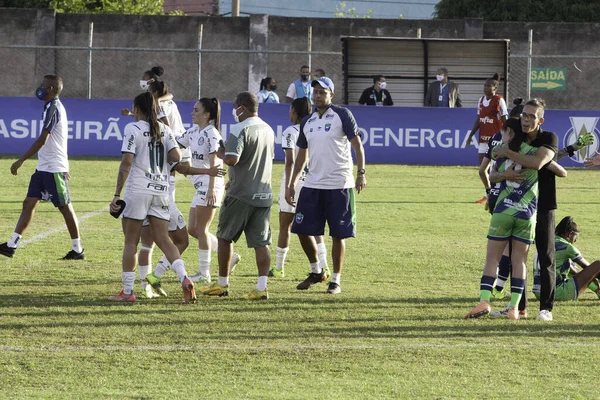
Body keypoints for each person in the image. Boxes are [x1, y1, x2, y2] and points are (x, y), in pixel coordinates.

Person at [465, 118, 566, 320]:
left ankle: (484, 301)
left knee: (493, 258)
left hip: (504, 211)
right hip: (527, 214)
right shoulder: (533, 154)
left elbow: (490, 173)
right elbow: (560, 171)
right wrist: (549, 163)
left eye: (503, 133)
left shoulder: (501, 150)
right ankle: (514, 308)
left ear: (509, 133)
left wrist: (504, 174)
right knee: (519, 260)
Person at [108, 92, 195, 303]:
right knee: (164, 240)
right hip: (161, 190)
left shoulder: (133, 128)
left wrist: (117, 194)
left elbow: (126, 163)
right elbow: (176, 156)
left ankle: (128, 292)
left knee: (131, 242)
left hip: (138, 189)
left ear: (137, 110)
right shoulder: (164, 129)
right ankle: (184, 278)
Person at [286, 77, 367, 295]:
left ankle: (336, 280)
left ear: (331, 94)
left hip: (339, 184)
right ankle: (317, 271)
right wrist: (291, 183)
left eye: (322, 92)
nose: (318, 95)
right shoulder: (307, 121)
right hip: (312, 184)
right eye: (315, 92)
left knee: (338, 234)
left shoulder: (342, 115)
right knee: (301, 228)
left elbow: (357, 145)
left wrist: (361, 173)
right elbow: (302, 154)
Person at [199, 92, 275, 300]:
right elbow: (261, 160)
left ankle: (222, 284)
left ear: (243, 107)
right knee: (262, 243)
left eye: (235, 107)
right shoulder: (268, 129)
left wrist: (221, 152)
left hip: (241, 195)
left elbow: (233, 159)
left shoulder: (240, 128)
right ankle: (261, 287)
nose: (234, 111)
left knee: (224, 238)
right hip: (264, 193)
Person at [0, 75, 84, 260]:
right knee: (29, 203)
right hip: (44, 167)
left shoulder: (54, 107)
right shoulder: (49, 106)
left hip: (53, 168)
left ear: (51, 89)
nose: (39, 87)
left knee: (65, 207)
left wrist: (21, 160)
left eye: (43, 85)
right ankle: (11, 245)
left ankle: (77, 250)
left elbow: (43, 139)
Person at [494, 98, 558, 321]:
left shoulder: (549, 138)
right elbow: (495, 156)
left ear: (540, 119)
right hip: (517, 204)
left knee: (545, 255)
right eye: (524, 115)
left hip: (543, 204)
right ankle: (517, 307)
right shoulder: (516, 136)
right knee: (516, 257)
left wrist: (509, 152)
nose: (526, 119)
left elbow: (537, 163)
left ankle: (546, 309)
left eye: (532, 116)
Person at [269, 97, 329, 278]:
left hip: (294, 183)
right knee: (314, 227)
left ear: (294, 111)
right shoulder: (314, 129)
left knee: (285, 225)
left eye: (290, 109)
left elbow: (290, 161)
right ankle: (324, 266)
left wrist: (289, 185)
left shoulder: (290, 132)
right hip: (312, 183)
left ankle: (279, 268)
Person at [175, 98, 226, 283]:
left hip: (211, 185)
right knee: (193, 229)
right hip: (200, 186)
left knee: (202, 230)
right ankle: (227, 253)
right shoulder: (194, 131)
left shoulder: (212, 134)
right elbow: (176, 145)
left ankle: (204, 274)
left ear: (207, 115)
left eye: (196, 110)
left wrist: (212, 190)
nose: (192, 112)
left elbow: (214, 165)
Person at [532, 216, 600, 301]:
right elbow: (588, 267)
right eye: (575, 238)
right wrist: (594, 277)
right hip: (557, 292)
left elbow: (574, 271)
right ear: (570, 234)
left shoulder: (547, 242)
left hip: (540, 293)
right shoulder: (566, 247)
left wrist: (595, 287)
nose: (575, 241)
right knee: (598, 265)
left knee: (569, 267)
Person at [466, 73, 508, 204]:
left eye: (489, 85)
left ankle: (498, 193)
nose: (485, 87)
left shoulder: (499, 100)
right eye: (484, 85)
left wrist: (506, 136)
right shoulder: (481, 100)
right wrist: (471, 135)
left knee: (495, 168)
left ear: (495, 88)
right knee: (483, 168)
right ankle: (488, 192)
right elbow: (479, 119)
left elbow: (505, 118)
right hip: (483, 139)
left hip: (496, 139)